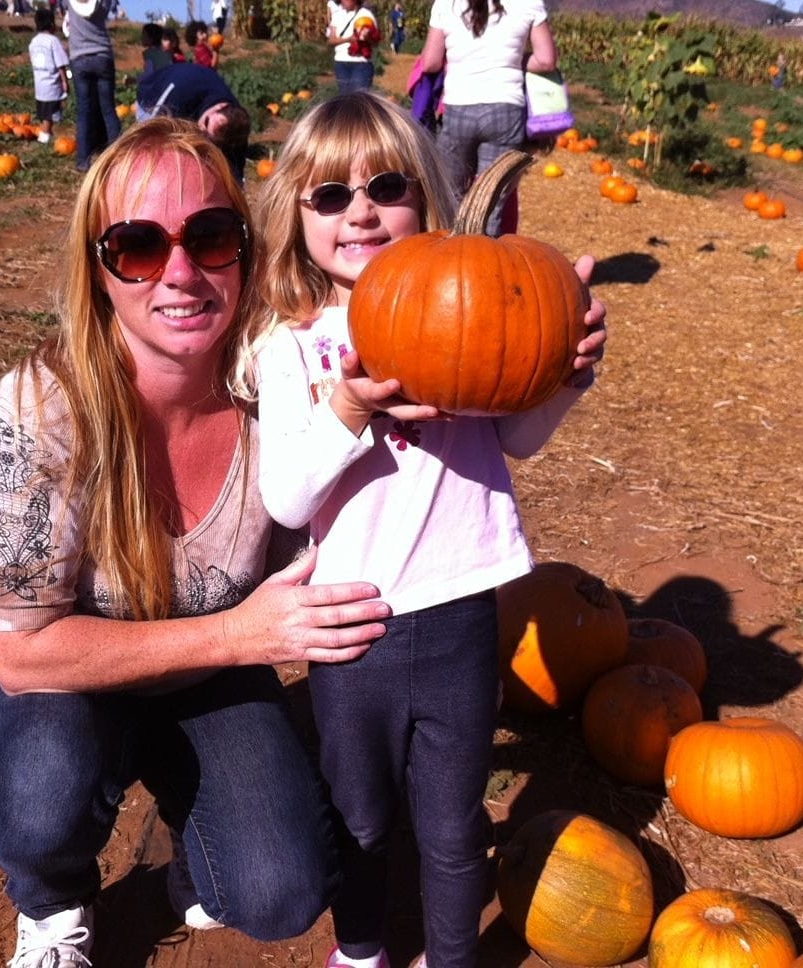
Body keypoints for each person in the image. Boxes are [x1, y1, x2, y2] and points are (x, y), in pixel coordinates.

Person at [0, 117, 395, 968]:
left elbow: (417, 330)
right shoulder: (43, 406)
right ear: (98, 271)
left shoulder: (280, 382)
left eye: (209, 237)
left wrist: (536, 366)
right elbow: (19, 655)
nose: (180, 273)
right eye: (137, 246)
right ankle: (53, 902)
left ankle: (196, 854)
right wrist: (240, 635)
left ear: (245, 249)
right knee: (38, 796)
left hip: (209, 683)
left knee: (279, 893)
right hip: (74, 682)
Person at [248, 91, 606, 968]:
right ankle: (363, 950)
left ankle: (451, 958)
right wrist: (347, 406)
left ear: (427, 201)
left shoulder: (477, 304)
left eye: (387, 186)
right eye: (330, 196)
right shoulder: (290, 348)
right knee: (360, 813)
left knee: (451, 824)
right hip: (351, 627)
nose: (360, 211)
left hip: (457, 611)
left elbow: (516, 434)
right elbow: (288, 502)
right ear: (297, 216)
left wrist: (562, 375)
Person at [421, 0, 557, 235]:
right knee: (491, 200)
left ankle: (444, 261)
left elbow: (430, 62)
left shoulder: (446, 3)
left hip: (459, 106)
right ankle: (483, 264)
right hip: (506, 108)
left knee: (450, 192)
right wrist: (517, 61)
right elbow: (546, 60)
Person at [136, 62, 249, 183]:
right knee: (156, 158)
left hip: (192, 103)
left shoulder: (235, 123)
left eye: (210, 139)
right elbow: (150, 132)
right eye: (206, 123)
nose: (201, 130)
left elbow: (236, 170)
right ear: (220, 106)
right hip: (154, 98)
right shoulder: (178, 94)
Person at [63, 0, 122, 171]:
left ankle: (83, 160)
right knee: (108, 109)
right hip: (102, 55)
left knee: (84, 111)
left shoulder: (70, 3)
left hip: (79, 58)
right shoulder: (103, 3)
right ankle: (117, 157)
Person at [28, 7, 70, 145]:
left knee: (44, 112)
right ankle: (44, 137)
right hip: (52, 85)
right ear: (52, 24)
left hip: (39, 85)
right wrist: (65, 82)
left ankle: (47, 134)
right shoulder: (53, 41)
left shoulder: (34, 42)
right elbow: (60, 64)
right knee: (50, 115)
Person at [327, 0, 381, 94]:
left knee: (359, 99)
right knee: (345, 99)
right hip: (341, 63)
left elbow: (375, 43)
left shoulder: (366, 15)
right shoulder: (337, 15)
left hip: (361, 63)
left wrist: (367, 37)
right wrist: (349, 39)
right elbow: (331, 41)